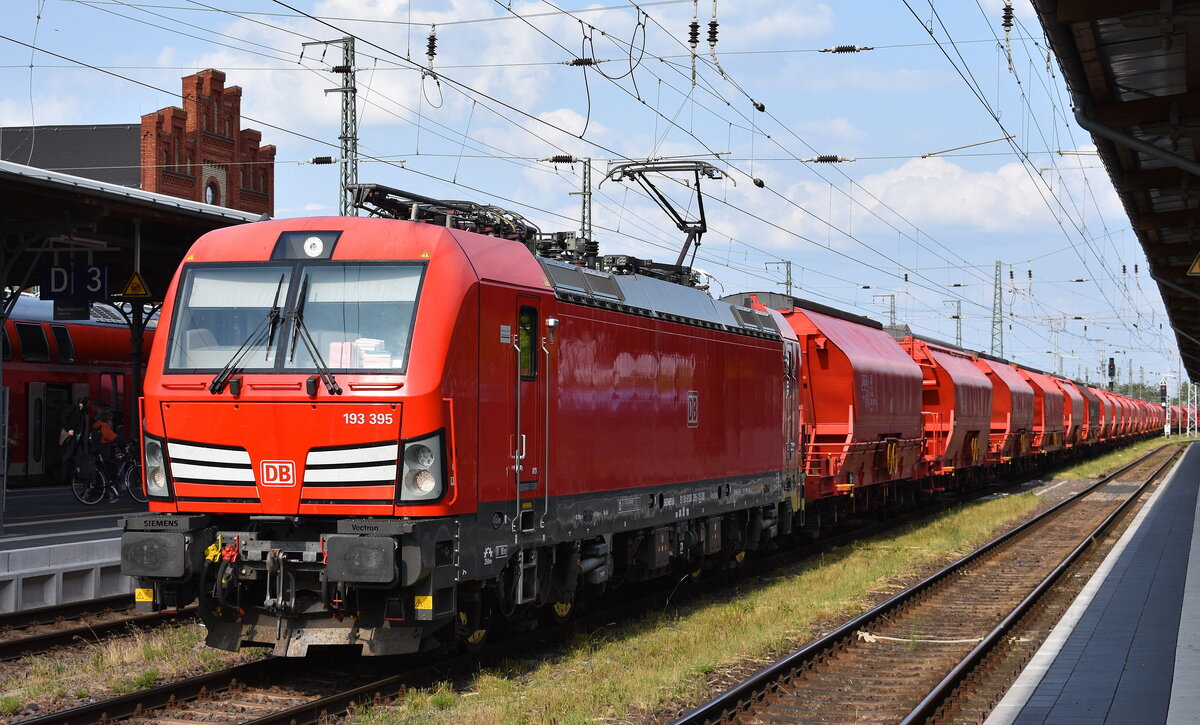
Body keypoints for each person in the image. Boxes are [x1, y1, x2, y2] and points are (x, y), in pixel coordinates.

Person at [58, 396, 90, 481]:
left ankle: (74, 475)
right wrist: (69, 429)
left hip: (78, 437)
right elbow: (63, 417)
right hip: (73, 436)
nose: (89, 406)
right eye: (88, 404)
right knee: (68, 455)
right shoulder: (74, 408)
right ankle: (63, 476)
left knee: (76, 456)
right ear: (84, 403)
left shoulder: (82, 411)